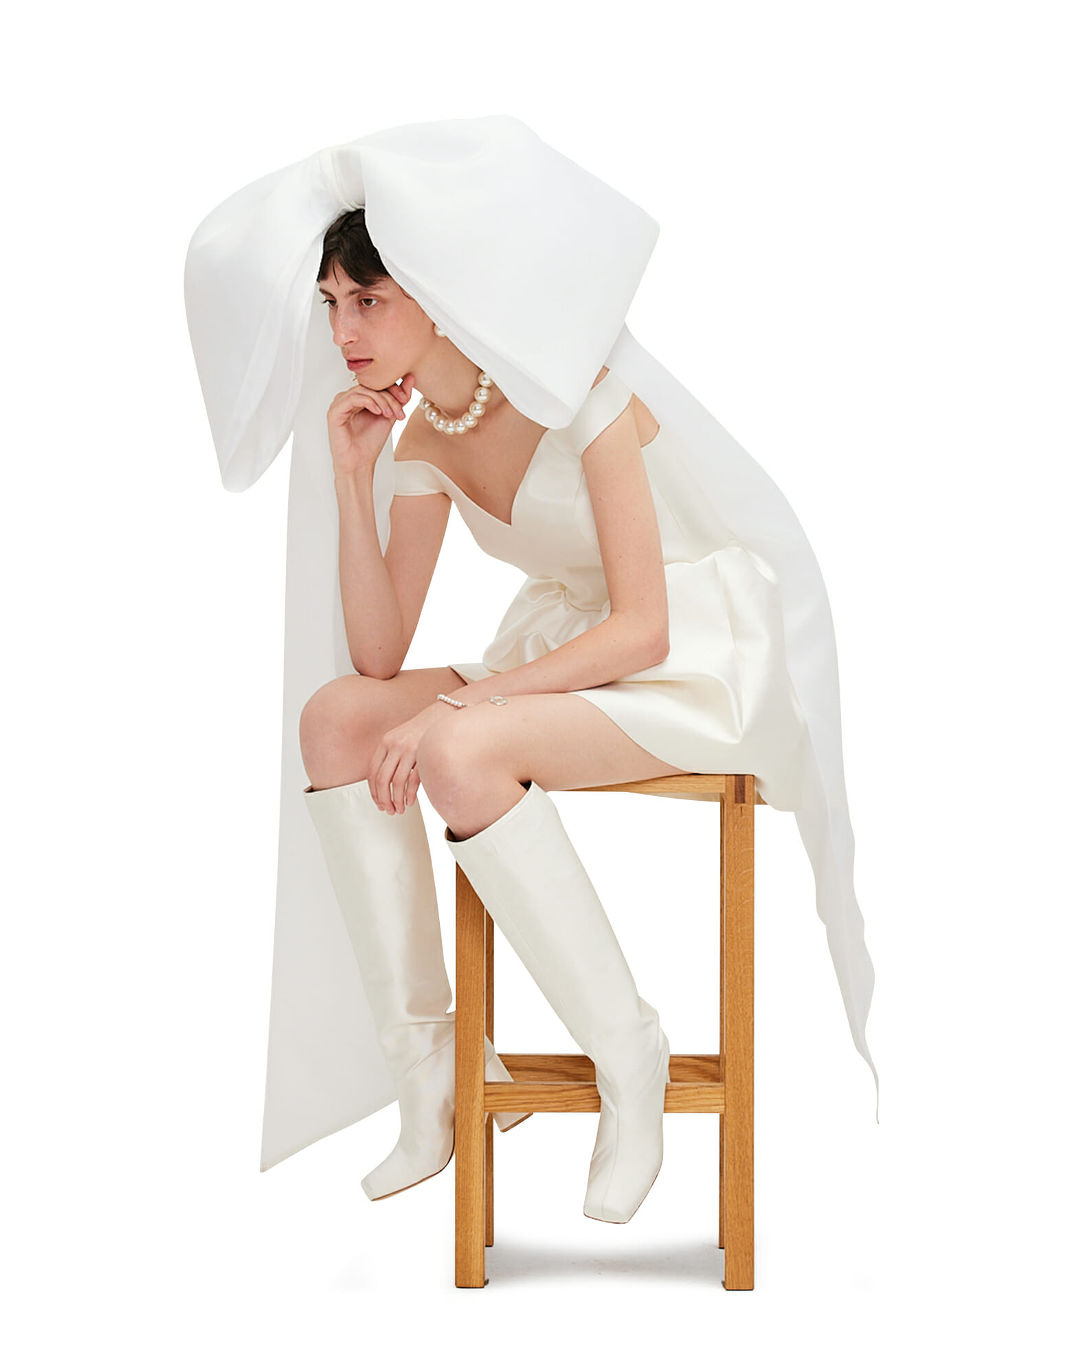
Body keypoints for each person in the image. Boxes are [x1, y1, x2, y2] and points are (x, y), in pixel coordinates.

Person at [184, 115, 879, 1220]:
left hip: (692, 655)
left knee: (458, 747)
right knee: (333, 719)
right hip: (563, 655)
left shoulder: (578, 389)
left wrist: (464, 705)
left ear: (430, 291)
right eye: (331, 305)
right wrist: (352, 472)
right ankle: (437, 1074)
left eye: (369, 300)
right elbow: (377, 655)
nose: (346, 331)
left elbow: (642, 628)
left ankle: (629, 1059)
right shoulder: (422, 438)